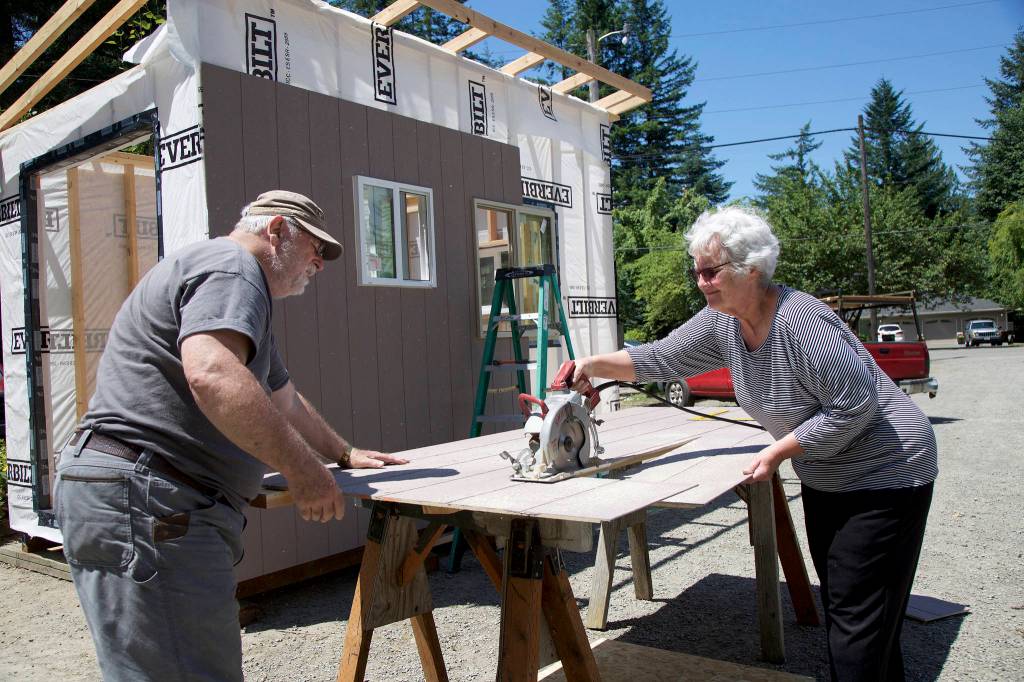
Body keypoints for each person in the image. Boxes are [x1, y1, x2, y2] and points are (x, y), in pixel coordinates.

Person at [53, 190, 408, 681]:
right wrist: (304, 470)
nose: (319, 264)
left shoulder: (237, 290)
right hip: (153, 499)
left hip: (142, 496)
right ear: (276, 230)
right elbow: (213, 373)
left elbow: (283, 398)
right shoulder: (234, 268)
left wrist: (342, 453)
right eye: (314, 248)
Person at [573, 206, 936, 681]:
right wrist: (590, 365)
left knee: (856, 619)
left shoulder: (802, 322)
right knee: (858, 610)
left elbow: (854, 405)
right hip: (827, 472)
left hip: (887, 471)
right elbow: (662, 357)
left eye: (711, 271)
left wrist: (780, 450)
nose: (701, 282)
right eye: (696, 271)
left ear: (751, 269)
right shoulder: (722, 322)